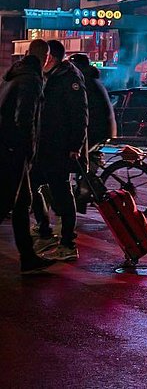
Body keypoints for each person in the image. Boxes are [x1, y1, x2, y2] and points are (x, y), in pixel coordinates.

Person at [0, 38, 57, 274]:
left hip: (7, 146)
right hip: (14, 150)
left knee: (22, 204)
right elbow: (25, 118)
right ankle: (28, 257)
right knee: (6, 202)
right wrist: (28, 150)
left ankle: (28, 257)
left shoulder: (14, 76)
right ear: (45, 58)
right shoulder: (32, 80)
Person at [31, 40, 88, 261]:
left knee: (62, 192)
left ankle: (67, 242)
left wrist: (75, 145)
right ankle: (44, 228)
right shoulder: (51, 77)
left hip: (61, 147)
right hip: (44, 145)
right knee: (30, 186)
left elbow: (80, 114)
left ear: (50, 58)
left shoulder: (69, 78)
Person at [69, 53, 116, 147]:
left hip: (95, 130)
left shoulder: (82, 81)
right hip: (105, 129)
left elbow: (79, 108)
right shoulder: (92, 78)